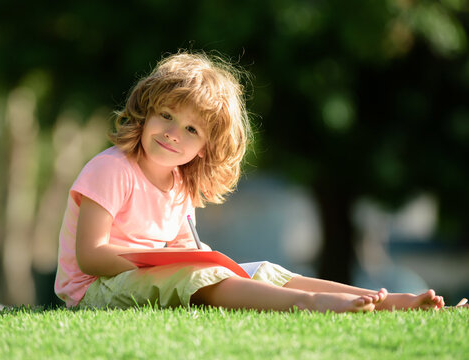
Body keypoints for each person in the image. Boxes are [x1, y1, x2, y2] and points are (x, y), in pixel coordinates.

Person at [54, 51, 449, 313]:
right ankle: (310, 304)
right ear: (146, 112)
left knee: (261, 269)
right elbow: (90, 257)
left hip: (143, 276)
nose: (173, 133)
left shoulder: (179, 184)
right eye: (166, 116)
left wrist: (194, 258)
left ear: (205, 149)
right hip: (94, 289)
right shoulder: (111, 169)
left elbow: (182, 246)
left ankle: (384, 301)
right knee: (198, 274)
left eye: (191, 129)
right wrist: (168, 263)